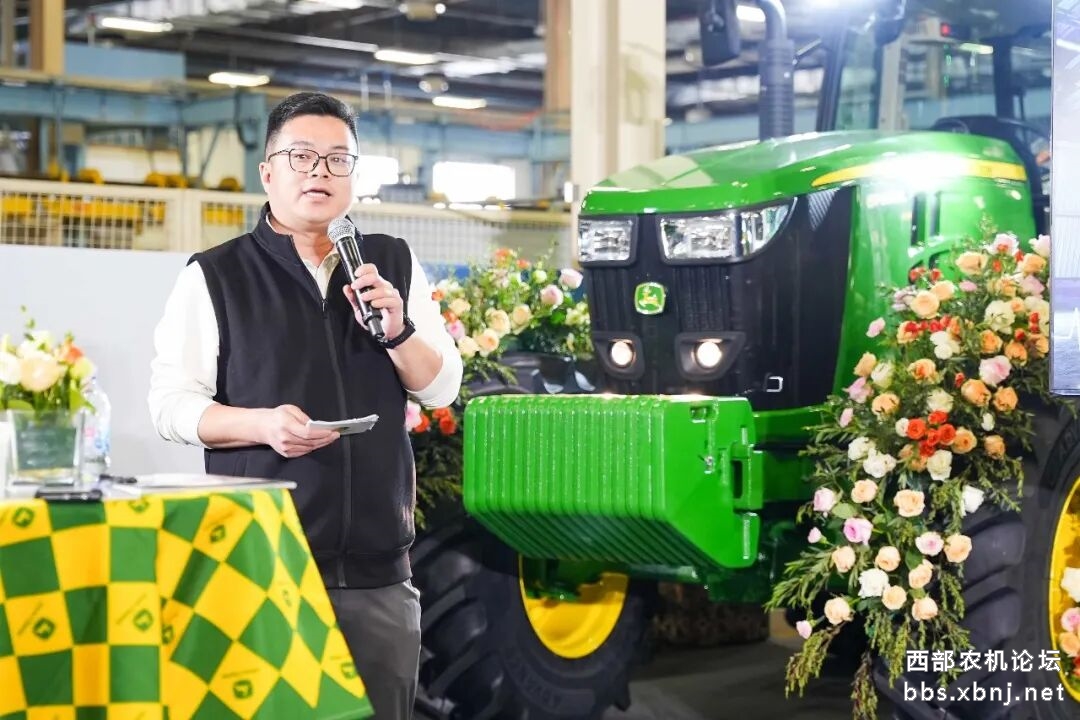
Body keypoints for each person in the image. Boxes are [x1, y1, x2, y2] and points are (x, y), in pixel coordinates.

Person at [148, 91, 463, 719]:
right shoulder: (216, 275)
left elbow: (440, 388)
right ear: (268, 173)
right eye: (302, 156)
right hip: (264, 564)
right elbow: (170, 405)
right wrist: (262, 426)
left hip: (378, 572)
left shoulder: (391, 263)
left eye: (337, 159)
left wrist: (398, 331)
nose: (320, 171)